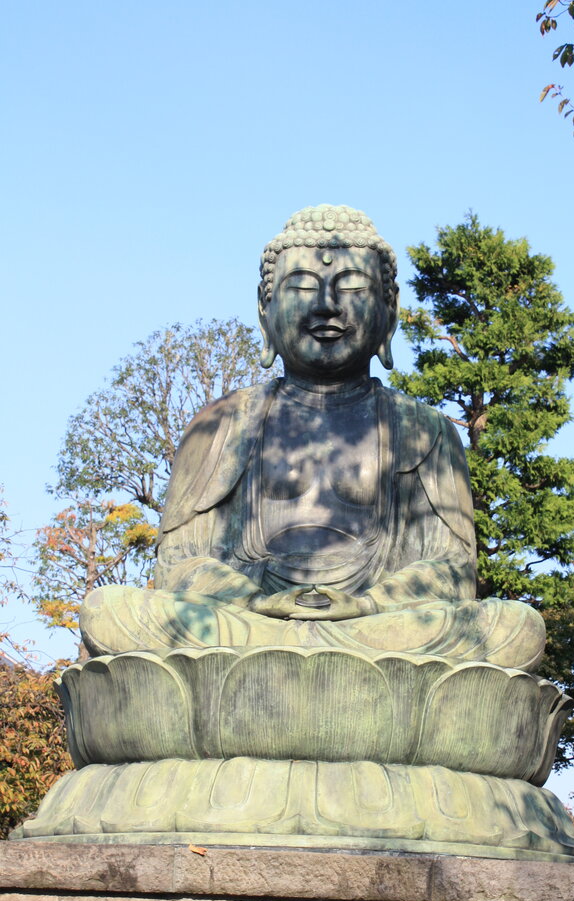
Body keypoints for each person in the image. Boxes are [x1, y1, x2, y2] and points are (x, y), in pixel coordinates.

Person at [80, 205, 545, 670]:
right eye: (301, 287)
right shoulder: (221, 424)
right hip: (250, 624)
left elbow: (452, 571)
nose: (326, 305)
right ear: (265, 311)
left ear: (389, 313)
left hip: (375, 628)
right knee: (108, 611)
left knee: (514, 627)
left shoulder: (425, 429)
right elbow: (178, 563)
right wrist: (255, 601)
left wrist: (368, 604)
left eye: (353, 288)